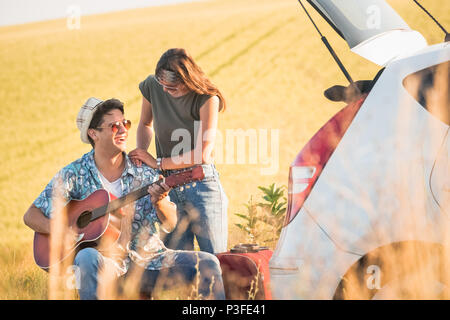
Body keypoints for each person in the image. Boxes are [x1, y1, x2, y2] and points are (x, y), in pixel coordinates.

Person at [23, 97, 225, 300]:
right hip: (104, 266)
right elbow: (31, 215)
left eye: (125, 123)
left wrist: (160, 202)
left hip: (149, 262)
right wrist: (61, 231)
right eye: (113, 126)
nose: (123, 130)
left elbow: (171, 223)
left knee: (208, 263)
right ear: (93, 134)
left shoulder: (144, 172)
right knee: (85, 256)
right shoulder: (75, 173)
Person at [129, 48, 228, 254]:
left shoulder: (208, 99)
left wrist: (156, 163)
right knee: (179, 269)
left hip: (202, 187)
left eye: (172, 88)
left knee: (216, 262)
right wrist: (141, 152)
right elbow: (145, 124)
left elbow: (203, 153)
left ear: (188, 81)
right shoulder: (152, 86)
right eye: (162, 85)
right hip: (167, 190)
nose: (165, 91)